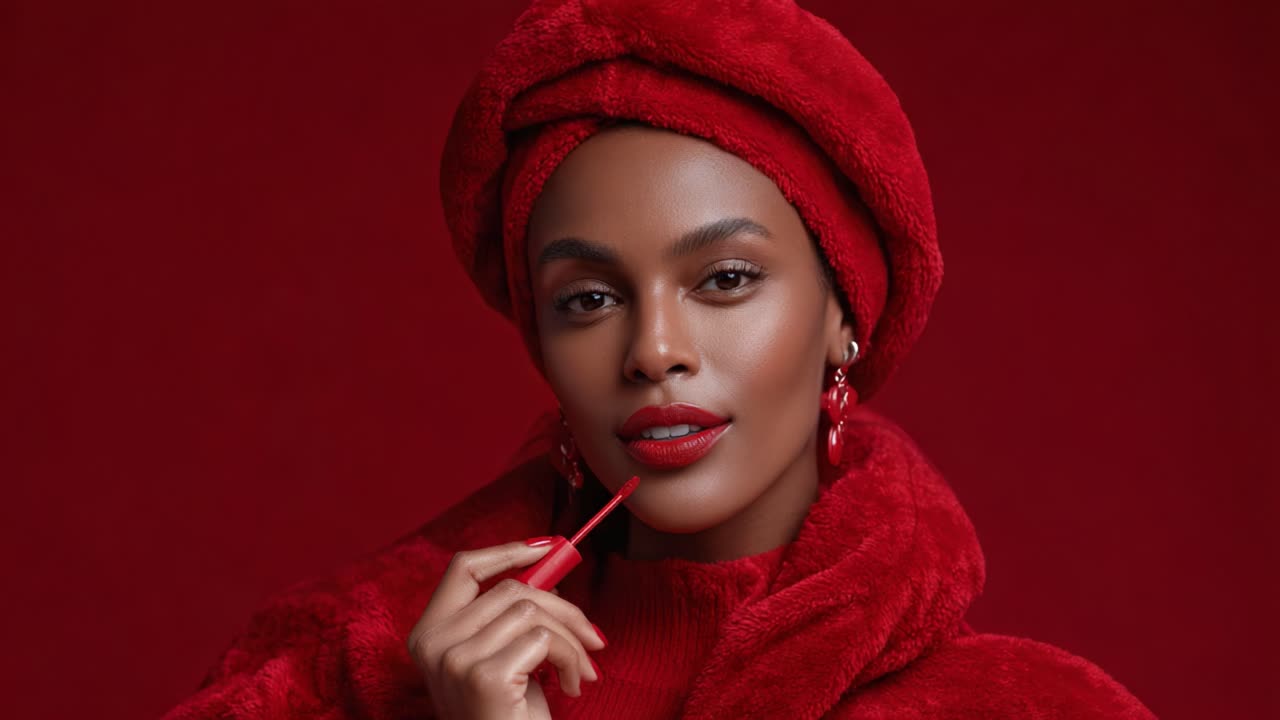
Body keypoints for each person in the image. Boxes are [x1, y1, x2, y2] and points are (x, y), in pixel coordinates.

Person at [162, 1, 1156, 718]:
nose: (653, 352)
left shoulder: (1023, 709)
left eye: (723, 279)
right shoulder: (336, 688)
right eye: (588, 300)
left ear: (842, 316)